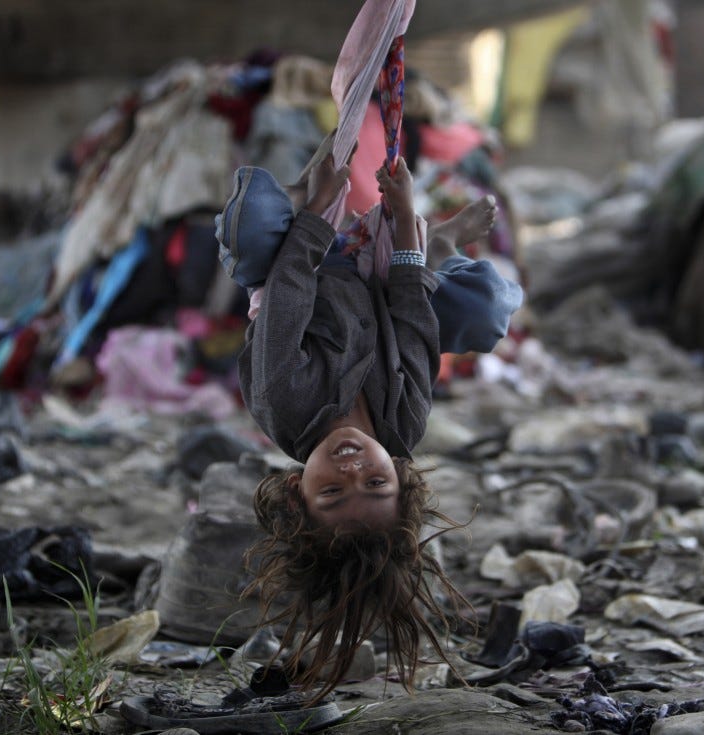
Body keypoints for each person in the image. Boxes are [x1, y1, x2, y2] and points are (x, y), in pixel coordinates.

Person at [215, 136, 522, 698]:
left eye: (332, 492)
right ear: (400, 473)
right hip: (379, 278)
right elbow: (411, 319)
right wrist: (405, 216)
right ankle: (443, 240)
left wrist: (316, 211)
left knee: (250, 214)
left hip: (296, 267)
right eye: (375, 482)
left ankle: (306, 186)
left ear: (294, 490)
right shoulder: (403, 423)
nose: (351, 469)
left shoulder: (284, 404)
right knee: (489, 311)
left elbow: (286, 294)